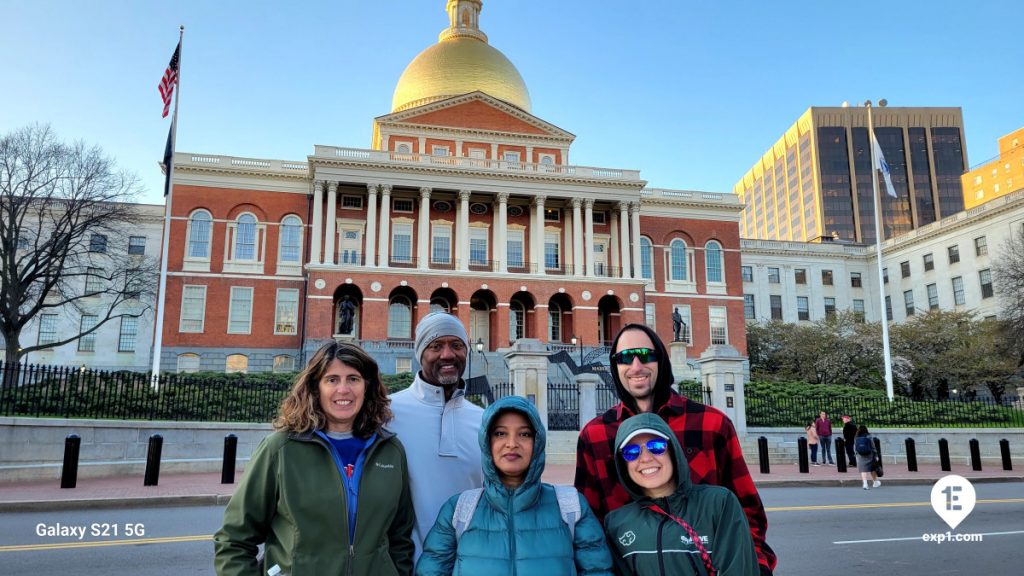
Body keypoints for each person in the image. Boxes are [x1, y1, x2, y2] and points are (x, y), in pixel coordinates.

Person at [575, 323, 777, 575]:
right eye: (625, 358)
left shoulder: (711, 423)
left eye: (646, 355)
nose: (636, 366)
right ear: (615, 367)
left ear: (661, 360)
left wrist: (756, 565)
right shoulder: (595, 435)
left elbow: (747, 509)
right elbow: (588, 524)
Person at [214, 341, 415, 576]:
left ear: (367, 386)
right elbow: (233, 540)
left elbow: (400, 537)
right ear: (315, 387)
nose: (343, 389)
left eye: (353, 378)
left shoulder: (390, 450)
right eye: (332, 379)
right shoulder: (281, 449)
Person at [416, 396, 613, 576]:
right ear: (487, 441)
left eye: (524, 434)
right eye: (500, 433)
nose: (512, 443)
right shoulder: (458, 510)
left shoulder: (571, 508)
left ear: (537, 442)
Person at [604, 413, 759, 576]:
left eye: (656, 446)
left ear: (673, 451)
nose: (645, 458)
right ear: (623, 465)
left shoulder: (718, 504)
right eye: (631, 452)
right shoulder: (616, 523)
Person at [389, 311, 485, 560]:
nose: (447, 354)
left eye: (456, 345)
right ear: (420, 352)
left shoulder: (484, 420)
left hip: (471, 563)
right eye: (435, 345)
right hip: (406, 564)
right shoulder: (386, 414)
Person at [855, 425, 882, 490]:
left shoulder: (856, 437)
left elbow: (855, 446)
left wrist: (856, 454)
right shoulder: (869, 436)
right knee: (872, 468)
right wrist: (876, 455)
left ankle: (865, 484)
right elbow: (873, 446)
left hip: (860, 454)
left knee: (863, 469)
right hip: (869, 454)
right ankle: (875, 482)